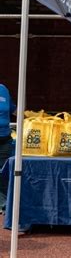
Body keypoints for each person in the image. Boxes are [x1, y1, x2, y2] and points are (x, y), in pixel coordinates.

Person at [0, 83, 15, 214]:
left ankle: (5, 203)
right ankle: (3, 203)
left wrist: (29, 117)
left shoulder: (3, 89)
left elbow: (12, 109)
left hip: (5, 138)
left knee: (4, 171)